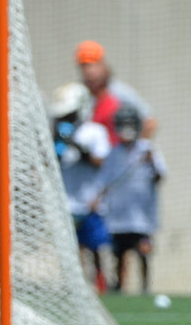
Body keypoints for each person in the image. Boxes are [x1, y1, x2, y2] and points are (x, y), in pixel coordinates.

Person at [96, 104, 166, 294]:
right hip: (119, 213)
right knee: (119, 253)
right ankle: (119, 286)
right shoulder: (114, 153)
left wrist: (151, 161)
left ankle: (145, 287)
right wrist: (98, 200)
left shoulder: (148, 150)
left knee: (143, 251)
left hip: (142, 213)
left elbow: (160, 176)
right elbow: (105, 181)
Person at [50, 81, 112, 293]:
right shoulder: (59, 134)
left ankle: (100, 283)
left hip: (90, 201)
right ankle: (74, 284)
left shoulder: (94, 132)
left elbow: (99, 162)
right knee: (70, 247)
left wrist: (76, 145)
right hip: (66, 202)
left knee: (95, 246)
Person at [75, 40, 158, 142]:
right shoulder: (78, 95)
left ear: (103, 64)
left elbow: (150, 122)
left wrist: (132, 147)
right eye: (85, 66)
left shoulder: (119, 92)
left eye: (94, 64)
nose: (90, 71)